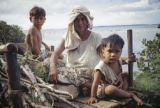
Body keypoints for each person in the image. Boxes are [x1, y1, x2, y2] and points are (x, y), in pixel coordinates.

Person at [49, 6, 102, 90]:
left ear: (87, 20)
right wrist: (52, 68)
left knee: (61, 73)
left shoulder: (96, 37)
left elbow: (105, 56)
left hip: (89, 73)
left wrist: (122, 60)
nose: (80, 23)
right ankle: (83, 85)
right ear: (72, 22)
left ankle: (90, 86)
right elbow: (55, 54)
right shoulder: (68, 36)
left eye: (82, 19)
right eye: (76, 20)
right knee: (47, 64)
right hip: (72, 71)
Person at [85, 34, 143, 105]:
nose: (113, 54)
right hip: (106, 88)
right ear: (103, 51)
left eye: (117, 51)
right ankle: (131, 95)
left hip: (118, 85)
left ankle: (124, 92)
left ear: (121, 52)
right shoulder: (101, 67)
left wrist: (130, 58)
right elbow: (95, 83)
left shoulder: (118, 61)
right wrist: (93, 96)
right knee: (111, 89)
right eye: (109, 51)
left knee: (126, 75)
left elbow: (125, 59)